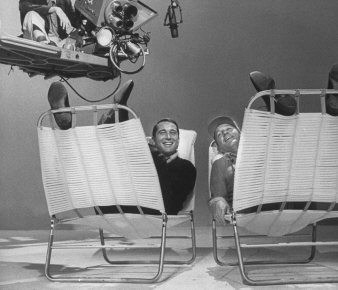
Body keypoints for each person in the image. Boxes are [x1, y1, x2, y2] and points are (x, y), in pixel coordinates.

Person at [208, 66, 338, 224]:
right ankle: (283, 108)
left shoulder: (261, 146)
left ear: (241, 134)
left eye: (229, 129)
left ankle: (325, 110)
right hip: (252, 208)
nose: (225, 133)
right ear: (219, 147)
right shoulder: (220, 164)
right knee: (280, 142)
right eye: (219, 135)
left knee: (285, 142)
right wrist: (219, 203)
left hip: (292, 197)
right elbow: (218, 196)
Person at [47, 80, 196, 215]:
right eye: (162, 133)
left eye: (173, 133)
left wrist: (151, 156)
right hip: (115, 204)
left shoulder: (186, 166)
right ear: (153, 140)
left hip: (160, 209)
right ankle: (68, 129)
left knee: (131, 152)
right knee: (107, 157)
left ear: (178, 139)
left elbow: (171, 198)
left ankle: (118, 114)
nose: (169, 136)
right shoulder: (141, 158)